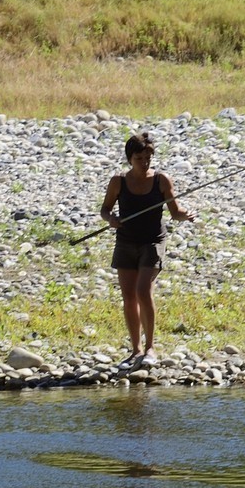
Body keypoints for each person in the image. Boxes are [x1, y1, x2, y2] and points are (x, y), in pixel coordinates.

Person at [99, 131, 194, 369]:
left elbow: (174, 212)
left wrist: (185, 216)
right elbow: (105, 209)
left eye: (148, 157)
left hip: (153, 241)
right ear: (130, 158)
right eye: (139, 158)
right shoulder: (118, 181)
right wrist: (110, 219)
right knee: (129, 297)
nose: (145, 163)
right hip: (126, 242)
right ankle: (135, 350)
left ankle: (151, 348)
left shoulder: (161, 180)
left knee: (143, 291)